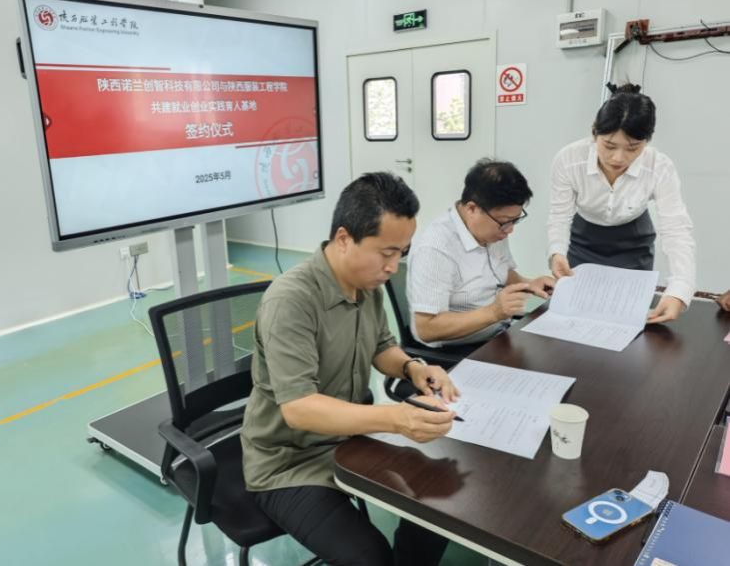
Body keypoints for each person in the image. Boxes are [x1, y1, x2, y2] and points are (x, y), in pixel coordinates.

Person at [241, 172, 459, 566]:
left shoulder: (365, 285)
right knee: (368, 558)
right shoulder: (291, 301)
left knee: (439, 501)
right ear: (344, 238)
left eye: (402, 253)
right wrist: (396, 419)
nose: (393, 266)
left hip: (351, 441)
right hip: (288, 463)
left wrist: (413, 368)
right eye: (386, 252)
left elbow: (381, 346)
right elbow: (299, 408)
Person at [547, 82, 696, 324]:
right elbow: (559, 215)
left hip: (633, 243)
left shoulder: (659, 166)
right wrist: (556, 252)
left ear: (647, 141)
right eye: (609, 145)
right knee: (577, 316)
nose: (618, 158)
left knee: (627, 316)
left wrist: (679, 290)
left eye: (633, 148)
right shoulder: (568, 160)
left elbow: (677, 230)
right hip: (584, 241)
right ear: (594, 132)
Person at [407, 159, 555, 348]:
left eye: (515, 220)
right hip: (457, 350)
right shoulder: (435, 248)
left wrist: (529, 284)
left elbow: (501, 272)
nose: (510, 230)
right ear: (472, 209)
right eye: (505, 222)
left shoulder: (493, 230)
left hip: (499, 334)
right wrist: (494, 312)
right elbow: (427, 328)